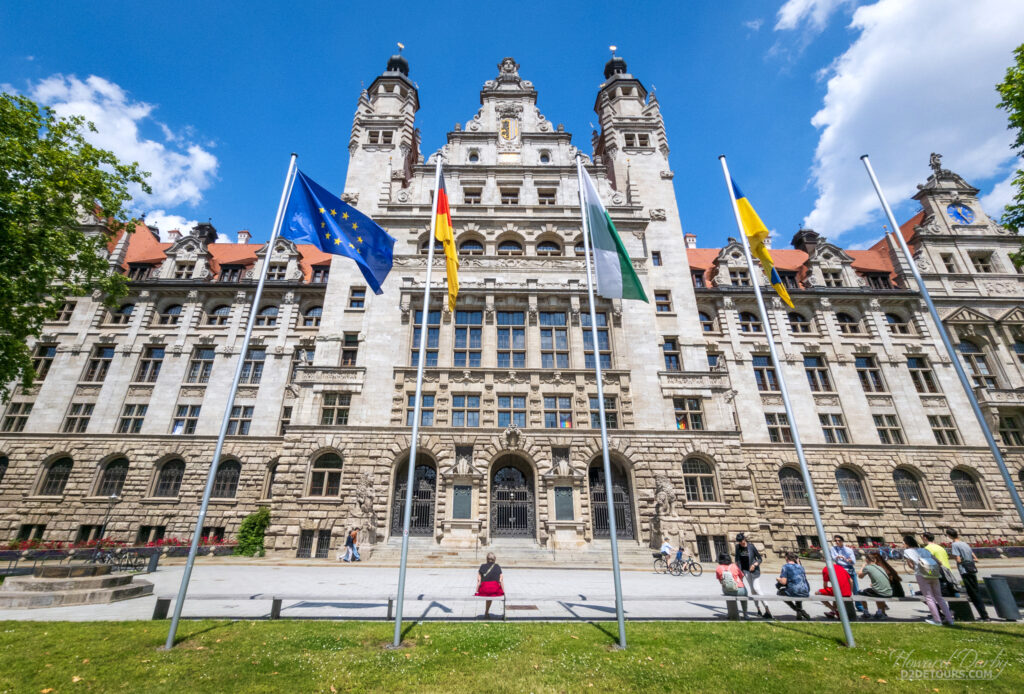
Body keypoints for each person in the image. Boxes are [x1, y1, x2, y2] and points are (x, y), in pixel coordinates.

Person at [904, 534, 953, 626]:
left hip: (921, 575)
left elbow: (911, 566)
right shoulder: (924, 550)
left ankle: (937, 620)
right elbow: (939, 562)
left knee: (929, 598)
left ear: (906, 543)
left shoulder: (907, 551)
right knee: (939, 597)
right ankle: (949, 619)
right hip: (934, 575)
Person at [946, 528, 990, 621]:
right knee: (975, 591)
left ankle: (984, 616)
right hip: (972, 568)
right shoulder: (964, 543)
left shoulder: (954, 545)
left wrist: (954, 557)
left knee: (972, 593)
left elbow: (958, 559)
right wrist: (970, 560)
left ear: (949, 536)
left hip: (965, 570)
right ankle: (984, 614)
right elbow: (975, 557)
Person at [735, 533, 772, 619]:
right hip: (745, 571)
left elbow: (759, 558)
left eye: (742, 541)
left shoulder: (751, 546)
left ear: (744, 539)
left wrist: (754, 564)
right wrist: (738, 569)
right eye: (739, 542)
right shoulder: (738, 547)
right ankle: (758, 610)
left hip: (754, 571)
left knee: (757, 588)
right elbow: (737, 558)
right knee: (752, 590)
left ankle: (767, 609)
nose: (741, 543)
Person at [830, 535, 865, 612]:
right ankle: (840, 606)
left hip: (849, 568)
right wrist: (838, 557)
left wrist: (848, 560)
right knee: (840, 588)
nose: (837, 542)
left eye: (839, 540)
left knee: (855, 588)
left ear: (842, 541)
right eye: (835, 541)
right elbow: (833, 557)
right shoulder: (833, 549)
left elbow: (853, 561)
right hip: (840, 569)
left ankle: (859, 605)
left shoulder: (848, 550)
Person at [857, 551, 893, 619]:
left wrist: (862, 567)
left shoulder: (868, 567)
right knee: (875, 591)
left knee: (859, 593)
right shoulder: (880, 567)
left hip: (880, 592)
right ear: (875, 560)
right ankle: (881, 612)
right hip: (889, 591)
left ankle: (866, 612)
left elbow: (860, 576)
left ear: (866, 560)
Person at [776, 552, 811, 620]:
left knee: (780, 593)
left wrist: (778, 579)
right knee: (797, 589)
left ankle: (799, 610)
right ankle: (799, 614)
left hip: (795, 591)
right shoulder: (801, 567)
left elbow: (783, 582)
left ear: (786, 558)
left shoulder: (786, 566)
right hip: (805, 591)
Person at [922, 531, 957, 596]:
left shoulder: (927, 548)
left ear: (925, 538)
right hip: (948, 572)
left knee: (936, 596)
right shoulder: (940, 547)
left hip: (939, 574)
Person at [716, 552, 748, 619]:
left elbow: (721, 581)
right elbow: (741, 576)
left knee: (727, 594)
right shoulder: (734, 566)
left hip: (728, 590)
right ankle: (745, 614)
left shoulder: (718, 568)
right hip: (740, 589)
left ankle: (731, 614)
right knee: (745, 593)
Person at [475, 552, 505, 618]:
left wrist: (477, 590)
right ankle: (488, 613)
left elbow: (479, 580)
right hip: (495, 589)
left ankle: (486, 612)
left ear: (487, 559)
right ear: (495, 559)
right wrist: (503, 591)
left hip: (484, 589)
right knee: (492, 591)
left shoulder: (482, 566)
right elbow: (501, 580)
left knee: (488, 591)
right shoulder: (497, 566)